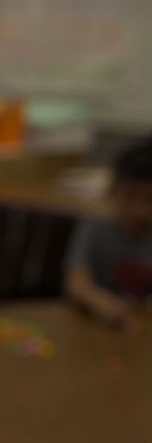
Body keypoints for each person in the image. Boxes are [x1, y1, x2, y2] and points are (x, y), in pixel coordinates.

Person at [65, 137, 152, 332]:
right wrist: (98, 301)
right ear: (112, 191)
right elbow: (76, 283)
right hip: (99, 329)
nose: (139, 210)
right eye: (129, 197)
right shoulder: (96, 225)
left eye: (150, 200)